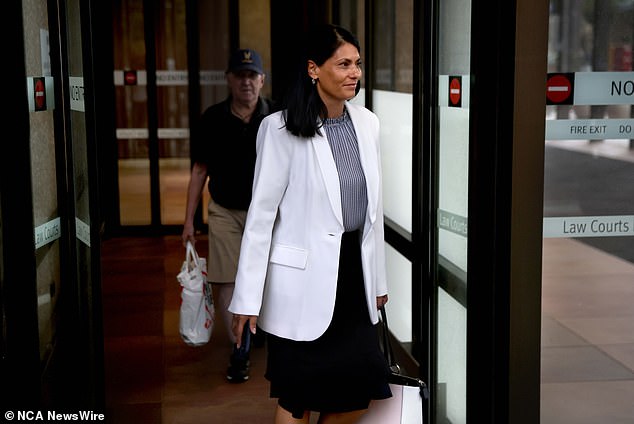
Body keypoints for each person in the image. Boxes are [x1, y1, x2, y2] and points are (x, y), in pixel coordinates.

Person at [228, 24, 392, 423]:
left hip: (353, 277)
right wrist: (247, 298)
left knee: (355, 393)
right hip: (301, 283)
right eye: (343, 64)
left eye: (357, 64)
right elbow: (260, 219)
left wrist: (379, 282)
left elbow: (374, 212)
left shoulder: (367, 124)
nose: (354, 73)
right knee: (298, 396)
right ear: (314, 69)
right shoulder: (279, 130)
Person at [182, 48, 273, 383]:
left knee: (268, 276)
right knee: (228, 280)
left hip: (266, 214)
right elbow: (199, 170)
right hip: (224, 211)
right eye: (240, 75)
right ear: (229, 80)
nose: (246, 81)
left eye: (253, 75)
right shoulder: (213, 118)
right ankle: (240, 347)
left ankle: (258, 325)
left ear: (262, 79)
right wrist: (189, 221)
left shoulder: (276, 117)